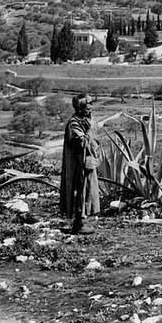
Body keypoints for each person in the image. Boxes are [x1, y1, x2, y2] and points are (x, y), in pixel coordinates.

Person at [60, 94, 101, 234]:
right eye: (88, 105)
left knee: (90, 190)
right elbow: (81, 141)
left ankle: (87, 219)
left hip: (88, 161)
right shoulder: (74, 122)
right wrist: (90, 131)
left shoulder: (87, 120)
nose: (91, 107)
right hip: (79, 164)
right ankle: (80, 222)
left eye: (91, 104)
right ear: (80, 107)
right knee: (81, 190)